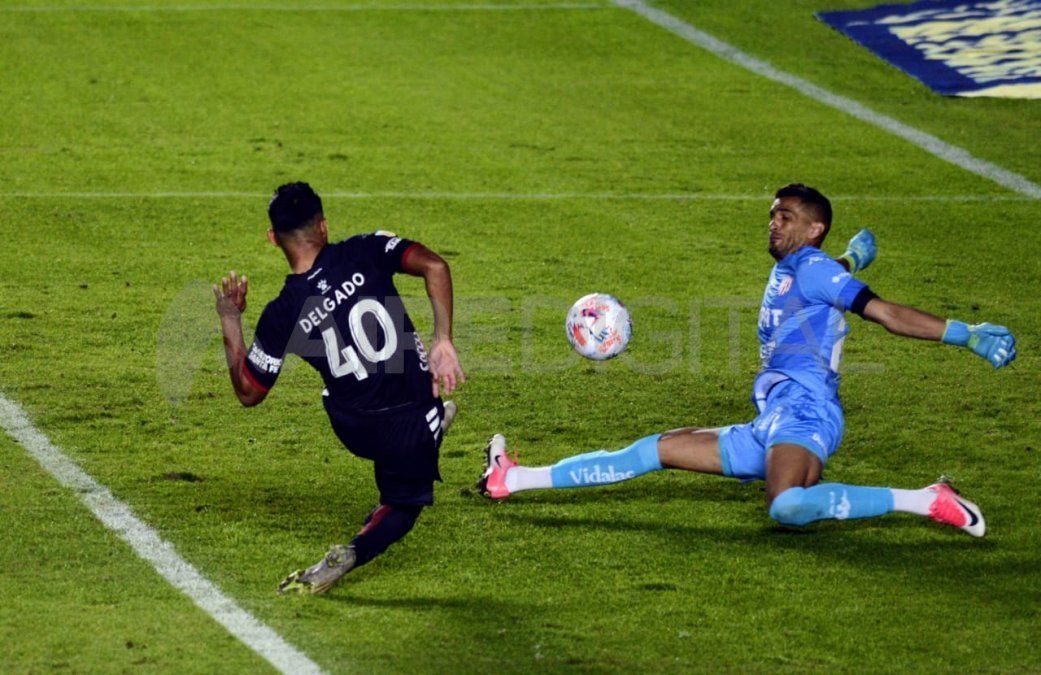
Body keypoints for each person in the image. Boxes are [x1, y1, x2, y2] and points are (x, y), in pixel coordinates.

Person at [477, 183, 1015, 536]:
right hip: (770, 419)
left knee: (786, 507)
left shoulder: (812, 268)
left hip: (804, 414)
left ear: (813, 229)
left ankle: (924, 499)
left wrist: (964, 334)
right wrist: (850, 257)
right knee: (654, 450)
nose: (773, 224)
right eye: (772, 215)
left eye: (785, 216)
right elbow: (815, 287)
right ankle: (516, 479)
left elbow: (885, 313)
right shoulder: (801, 267)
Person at [213, 182, 465, 594]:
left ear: (273, 239)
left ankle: (432, 424)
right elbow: (436, 267)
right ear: (324, 226)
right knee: (403, 507)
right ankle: (353, 550)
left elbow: (248, 392)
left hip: (353, 424)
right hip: (408, 416)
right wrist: (443, 341)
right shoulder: (367, 248)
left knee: (353, 386)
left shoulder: (281, 314)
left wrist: (229, 318)